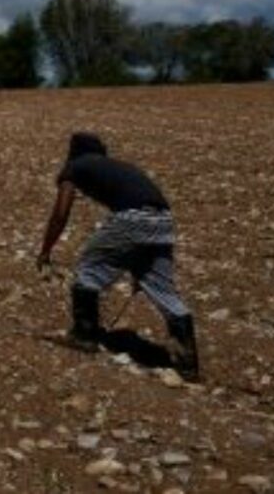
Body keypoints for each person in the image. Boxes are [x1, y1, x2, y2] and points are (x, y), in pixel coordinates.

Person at [37, 132, 200, 381]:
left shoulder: (75, 166)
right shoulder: (119, 166)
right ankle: (187, 362)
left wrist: (46, 249)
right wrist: (139, 263)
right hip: (163, 220)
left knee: (88, 267)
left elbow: (61, 212)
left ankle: (84, 335)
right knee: (161, 287)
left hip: (133, 218)